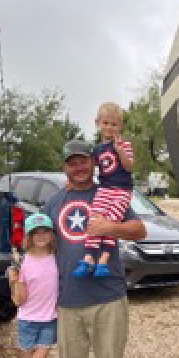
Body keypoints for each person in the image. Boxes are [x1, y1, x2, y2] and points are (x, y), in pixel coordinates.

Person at [44, 139, 146, 358]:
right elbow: (41, 244)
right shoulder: (54, 201)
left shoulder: (110, 194)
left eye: (83, 160)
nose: (78, 167)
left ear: (93, 161)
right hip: (68, 298)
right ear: (65, 166)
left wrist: (109, 228)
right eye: (71, 162)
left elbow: (139, 229)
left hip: (108, 295)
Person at [7, 213, 58, 358]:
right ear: (28, 236)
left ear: (51, 234)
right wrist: (14, 281)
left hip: (49, 322)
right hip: (27, 322)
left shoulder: (57, 259)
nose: (41, 236)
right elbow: (19, 300)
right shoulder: (22, 262)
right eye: (36, 232)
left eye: (45, 231)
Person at [72, 102, 134, 277]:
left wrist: (120, 151)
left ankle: (103, 260)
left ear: (119, 126)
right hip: (104, 189)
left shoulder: (124, 145)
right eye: (106, 123)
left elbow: (129, 167)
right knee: (95, 220)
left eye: (114, 124)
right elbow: (90, 170)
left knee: (110, 224)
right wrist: (73, 183)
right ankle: (88, 257)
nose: (109, 127)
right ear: (98, 123)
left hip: (122, 191)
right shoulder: (96, 149)